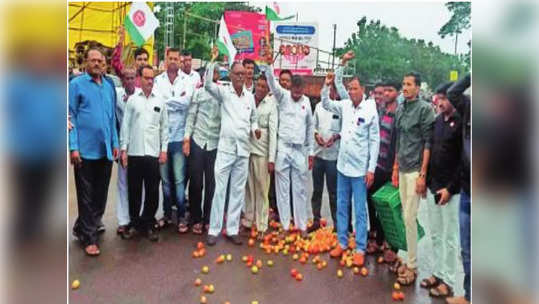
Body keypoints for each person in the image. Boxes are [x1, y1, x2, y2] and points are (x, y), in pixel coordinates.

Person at [321, 56, 380, 268]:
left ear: (362, 89)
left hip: (359, 170)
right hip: (342, 167)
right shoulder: (345, 105)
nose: (352, 91)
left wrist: (371, 169)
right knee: (341, 206)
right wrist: (337, 69)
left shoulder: (370, 109)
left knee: (360, 209)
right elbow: (326, 102)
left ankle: (361, 248)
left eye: (355, 88)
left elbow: (375, 141)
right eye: (350, 88)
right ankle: (342, 242)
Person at [204, 47, 260, 246]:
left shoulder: (249, 97)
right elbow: (207, 85)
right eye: (236, 74)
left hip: (243, 150)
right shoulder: (224, 92)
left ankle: (233, 229)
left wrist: (255, 129)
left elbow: (253, 119)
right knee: (220, 190)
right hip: (226, 149)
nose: (240, 77)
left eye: (243, 74)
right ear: (231, 74)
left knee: (237, 191)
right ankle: (214, 229)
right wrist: (212, 61)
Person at [69, 47, 119, 256]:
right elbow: (69, 116)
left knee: (100, 194)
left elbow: (111, 118)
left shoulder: (108, 86)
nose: (97, 63)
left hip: (105, 150)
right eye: (93, 60)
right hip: (85, 151)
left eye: (100, 61)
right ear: (86, 63)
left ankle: (83, 226)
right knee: (86, 196)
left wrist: (115, 143)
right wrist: (73, 147)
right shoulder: (76, 85)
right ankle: (89, 238)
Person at [262, 54, 314, 238]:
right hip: (283, 148)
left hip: (300, 150)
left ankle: (301, 227)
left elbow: (310, 128)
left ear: (303, 89)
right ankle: (285, 226)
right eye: (295, 91)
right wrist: (269, 64)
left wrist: (311, 153)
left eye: (300, 91)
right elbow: (271, 82)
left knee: (299, 190)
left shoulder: (307, 102)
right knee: (282, 190)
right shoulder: (282, 96)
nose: (297, 94)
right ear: (290, 87)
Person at [392, 71, 436, 285]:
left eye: (409, 84)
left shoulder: (425, 110)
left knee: (410, 217)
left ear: (418, 88)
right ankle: (407, 257)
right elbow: (399, 140)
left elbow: (428, 143)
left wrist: (423, 175)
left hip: (415, 171)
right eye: (404, 84)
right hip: (402, 169)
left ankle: (412, 266)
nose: (405, 87)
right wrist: (395, 166)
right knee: (404, 216)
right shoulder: (401, 109)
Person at [419, 81, 462, 298]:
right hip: (433, 187)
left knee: (450, 238)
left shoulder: (461, 123)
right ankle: (437, 273)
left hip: (451, 191)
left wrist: (450, 188)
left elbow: (464, 163)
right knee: (435, 234)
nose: (441, 102)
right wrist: (425, 180)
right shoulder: (437, 122)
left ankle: (449, 281)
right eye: (439, 98)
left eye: (445, 98)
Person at [119, 64, 169, 242]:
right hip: (135, 152)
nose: (150, 81)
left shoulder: (160, 100)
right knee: (134, 190)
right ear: (139, 79)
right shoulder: (133, 100)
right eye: (146, 78)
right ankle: (134, 223)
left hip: (153, 154)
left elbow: (165, 128)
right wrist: (123, 150)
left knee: (152, 191)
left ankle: (148, 223)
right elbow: (126, 126)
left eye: (152, 78)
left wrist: (164, 151)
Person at [153, 48, 193, 233]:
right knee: (165, 181)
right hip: (162, 138)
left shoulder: (187, 80)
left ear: (180, 60)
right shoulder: (158, 81)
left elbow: (187, 103)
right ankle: (167, 215)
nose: (174, 61)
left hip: (178, 137)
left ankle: (182, 216)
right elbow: (156, 104)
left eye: (176, 58)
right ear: (166, 60)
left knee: (179, 179)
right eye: (170, 58)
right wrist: (176, 101)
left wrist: (166, 101)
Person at [183, 65, 222, 234]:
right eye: (209, 73)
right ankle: (195, 218)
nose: (211, 76)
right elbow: (191, 116)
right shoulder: (198, 93)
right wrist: (186, 139)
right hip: (198, 141)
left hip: (215, 143)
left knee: (212, 184)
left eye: (215, 73)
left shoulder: (222, 94)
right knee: (196, 182)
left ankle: (208, 218)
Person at [366, 80, 401, 255]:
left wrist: (395, 168)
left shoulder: (400, 113)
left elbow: (400, 143)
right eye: (384, 91)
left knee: (387, 206)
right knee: (372, 201)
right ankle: (376, 237)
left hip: (390, 168)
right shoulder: (380, 111)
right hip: (376, 165)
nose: (386, 94)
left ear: (397, 92)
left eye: (390, 90)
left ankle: (390, 244)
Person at [445, 74, 471, 304]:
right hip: (467, 189)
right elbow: (453, 93)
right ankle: (470, 294)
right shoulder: (470, 107)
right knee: (468, 249)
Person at [243, 74, 278, 239]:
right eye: (259, 85)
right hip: (246, 150)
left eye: (264, 86)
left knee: (262, 190)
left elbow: (273, 133)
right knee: (248, 188)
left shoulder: (271, 105)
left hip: (262, 153)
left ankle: (262, 224)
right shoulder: (248, 99)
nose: (260, 89)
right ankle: (249, 220)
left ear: (269, 89)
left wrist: (272, 159)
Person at [308, 75, 342, 233]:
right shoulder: (320, 106)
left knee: (333, 192)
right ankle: (316, 220)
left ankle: (337, 224)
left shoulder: (340, 107)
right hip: (319, 154)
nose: (329, 91)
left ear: (335, 91)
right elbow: (313, 126)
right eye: (327, 88)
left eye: (331, 89)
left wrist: (336, 137)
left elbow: (344, 130)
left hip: (333, 157)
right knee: (317, 190)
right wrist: (316, 136)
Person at [114, 67, 138, 236]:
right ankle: (123, 220)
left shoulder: (141, 95)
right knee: (123, 184)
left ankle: (139, 218)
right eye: (126, 78)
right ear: (122, 80)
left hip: (140, 148)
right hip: (123, 147)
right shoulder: (116, 95)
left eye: (132, 78)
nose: (129, 81)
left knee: (139, 185)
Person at [268, 68, 294, 222]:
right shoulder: (272, 98)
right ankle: (274, 209)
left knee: (288, 181)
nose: (284, 82)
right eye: (282, 80)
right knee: (272, 180)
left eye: (287, 80)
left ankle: (288, 212)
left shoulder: (296, 99)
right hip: (272, 145)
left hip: (287, 147)